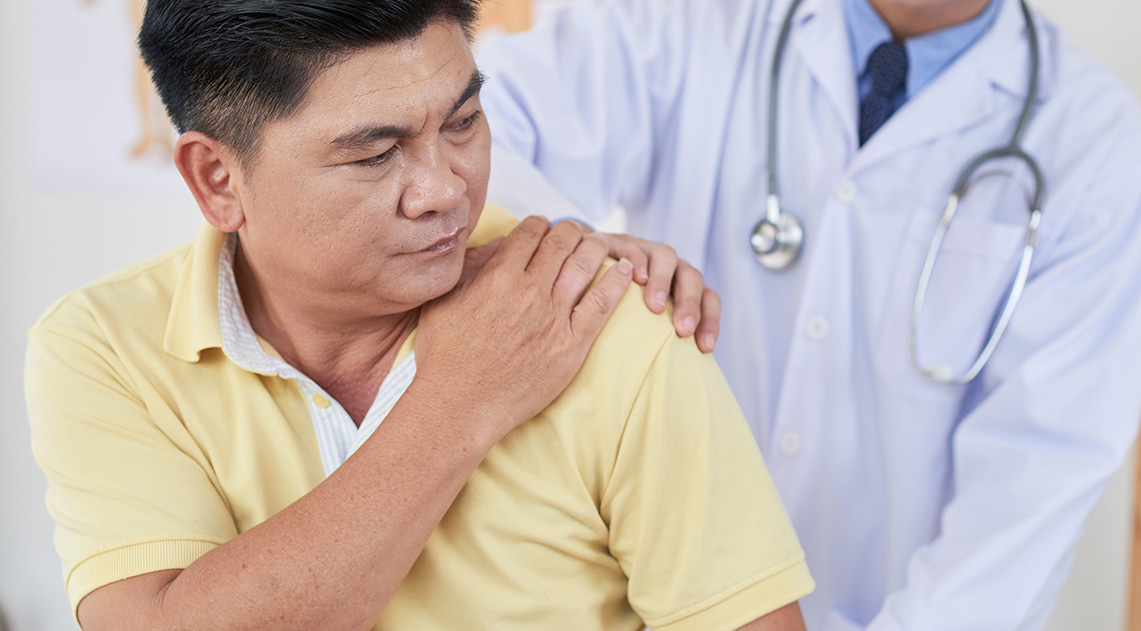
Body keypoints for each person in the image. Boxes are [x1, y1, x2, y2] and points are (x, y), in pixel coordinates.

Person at [24, 1, 815, 629]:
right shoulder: (102, 347)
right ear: (217, 178)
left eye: (463, 121)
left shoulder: (603, 322)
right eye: (375, 154)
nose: (445, 188)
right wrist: (460, 398)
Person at [477, 0, 1141, 628]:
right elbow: (473, 124)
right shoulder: (694, 19)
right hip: (646, 599)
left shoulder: (1101, 152)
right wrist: (572, 245)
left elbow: (1024, 505)